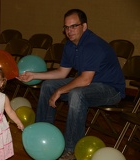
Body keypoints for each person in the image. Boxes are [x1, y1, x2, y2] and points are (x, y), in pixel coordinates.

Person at [18, 9, 125, 160]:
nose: (69, 31)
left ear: (84, 26)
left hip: (110, 89)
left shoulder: (93, 45)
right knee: (48, 86)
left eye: (74, 26)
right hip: (89, 83)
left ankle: (70, 150)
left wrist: (60, 91)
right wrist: (34, 75)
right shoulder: (70, 45)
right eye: (66, 27)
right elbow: (62, 72)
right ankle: (40, 132)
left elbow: (85, 80)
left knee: (76, 94)